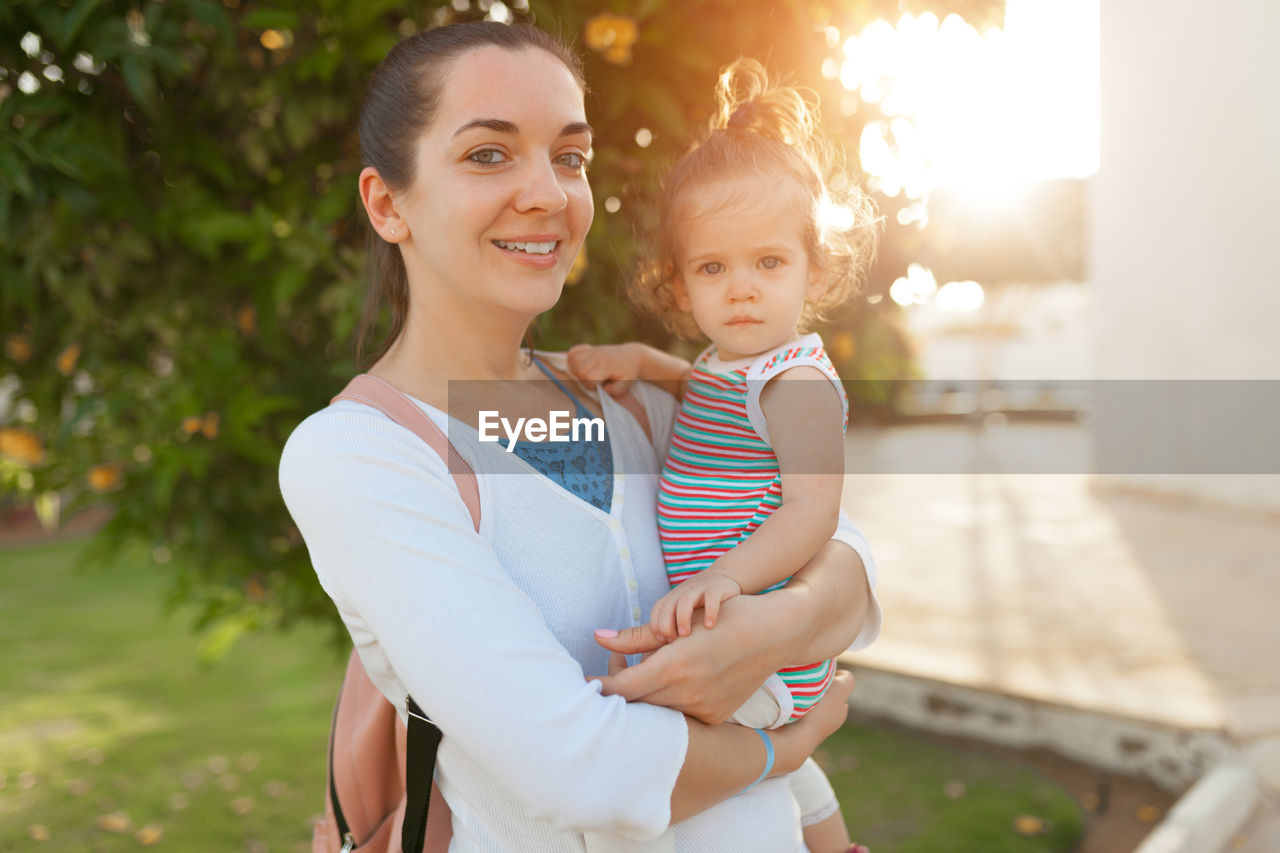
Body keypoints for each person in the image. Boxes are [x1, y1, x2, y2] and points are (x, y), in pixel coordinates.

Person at [278, 21, 881, 852]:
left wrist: (783, 625)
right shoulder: (359, 455)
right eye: (489, 154)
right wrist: (785, 745)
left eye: (569, 157)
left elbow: (837, 539)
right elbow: (585, 772)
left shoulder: (631, 399)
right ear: (388, 204)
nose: (549, 194)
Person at [566, 58, 878, 853]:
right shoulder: (726, 365)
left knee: (648, 743)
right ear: (680, 285)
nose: (741, 289)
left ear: (816, 267)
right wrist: (645, 358)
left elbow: (814, 508)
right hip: (733, 622)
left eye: (768, 263)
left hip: (756, 634)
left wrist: (722, 579)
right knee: (784, 770)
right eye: (714, 268)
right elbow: (704, 394)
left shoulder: (796, 378)